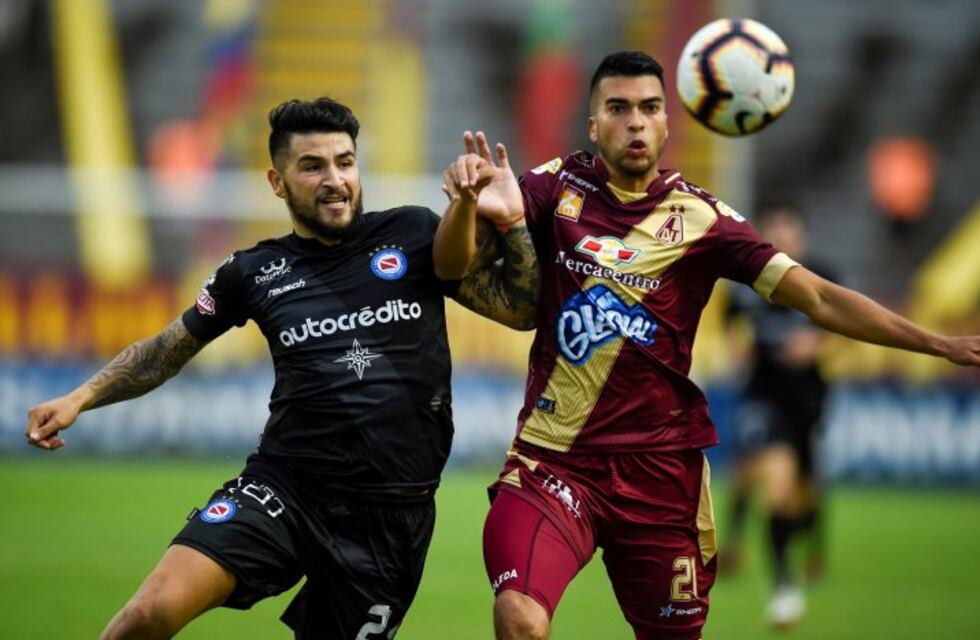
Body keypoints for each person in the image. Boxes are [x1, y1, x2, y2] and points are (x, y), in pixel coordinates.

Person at [450, 51, 980, 640]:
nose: (636, 122)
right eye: (618, 108)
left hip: (659, 473)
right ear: (593, 123)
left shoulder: (704, 219)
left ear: (668, 121)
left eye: (650, 108)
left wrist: (939, 344)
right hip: (555, 461)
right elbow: (461, 268)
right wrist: (470, 208)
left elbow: (820, 299)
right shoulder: (552, 188)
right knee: (519, 619)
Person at [24, 97, 538, 639]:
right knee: (148, 613)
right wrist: (79, 397)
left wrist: (511, 221)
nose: (334, 179)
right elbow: (166, 351)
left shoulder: (415, 234)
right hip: (286, 488)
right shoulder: (253, 271)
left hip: (390, 521)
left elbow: (522, 309)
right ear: (277, 181)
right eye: (312, 166)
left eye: (344, 162)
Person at [722, 206, 835, 627]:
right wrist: (738, 349)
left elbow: (845, 325)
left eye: (788, 228)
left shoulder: (821, 274)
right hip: (761, 395)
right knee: (770, 481)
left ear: (800, 235)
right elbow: (730, 323)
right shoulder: (747, 282)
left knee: (806, 488)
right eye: (773, 229)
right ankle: (784, 588)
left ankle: (813, 546)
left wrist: (817, 344)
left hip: (807, 396)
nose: (781, 235)